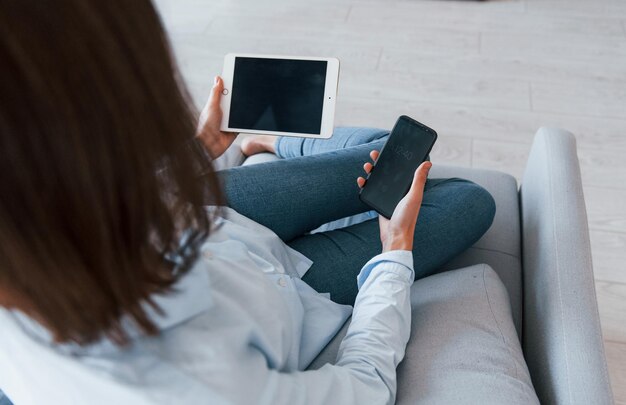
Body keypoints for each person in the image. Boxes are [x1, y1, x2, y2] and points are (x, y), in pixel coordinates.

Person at [0, 1, 495, 404]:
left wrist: (202, 149)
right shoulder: (195, 383)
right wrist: (393, 256)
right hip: (292, 295)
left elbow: (122, 194)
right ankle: (271, 148)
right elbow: (364, 386)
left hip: (210, 215)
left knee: (395, 151)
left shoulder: (28, 216)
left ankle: (260, 144)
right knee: (465, 200)